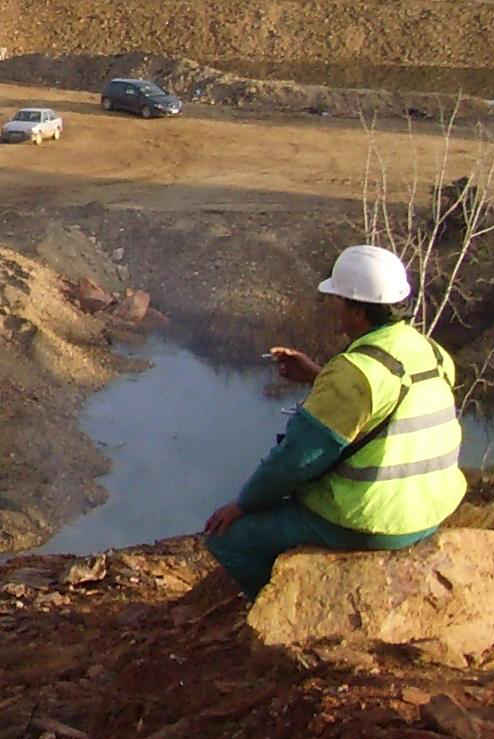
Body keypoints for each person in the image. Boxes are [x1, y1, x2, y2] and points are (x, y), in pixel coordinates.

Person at [200, 243, 469, 598]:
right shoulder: (431, 351)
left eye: (338, 300)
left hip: (373, 520)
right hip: (432, 509)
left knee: (229, 539)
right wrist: (320, 376)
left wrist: (242, 505)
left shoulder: (354, 373)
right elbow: (388, 402)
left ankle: (284, 613)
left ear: (357, 311)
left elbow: (297, 460)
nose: (334, 308)